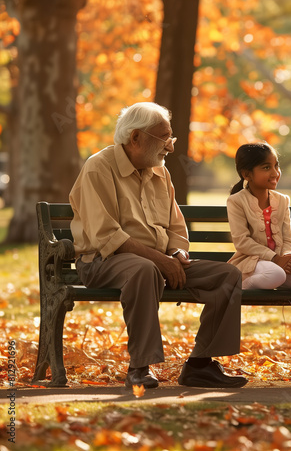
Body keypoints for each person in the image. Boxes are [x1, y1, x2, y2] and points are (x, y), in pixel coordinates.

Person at [69, 102, 247, 389]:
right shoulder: (98, 167)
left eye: (171, 137)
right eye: (164, 138)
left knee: (227, 276)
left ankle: (200, 365)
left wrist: (176, 253)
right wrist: (159, 260)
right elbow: (105, 235)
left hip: (158, 262)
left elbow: (176, 225)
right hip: (103, 261)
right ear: (135, 137)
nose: (171, 147)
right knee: (144, 269)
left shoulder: (160, 172)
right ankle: (139, 366)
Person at [226, 143, 291, 290]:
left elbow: (288, 238)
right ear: (246, 174)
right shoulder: (236, 201)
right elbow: (242, 242)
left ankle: (274, 280)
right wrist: (274, 258)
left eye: (276, 166)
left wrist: (288, 257)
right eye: (266, 167)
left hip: (278, 263)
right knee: (275, 274)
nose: (275, 173)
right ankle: (241, 285)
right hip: (252, 262)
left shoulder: (282, 200)